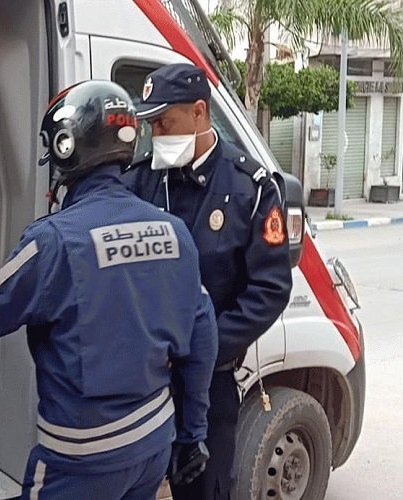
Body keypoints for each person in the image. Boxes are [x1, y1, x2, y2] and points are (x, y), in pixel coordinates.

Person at [0, 80, 217, 500]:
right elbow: (203, 337)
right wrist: (193, 432)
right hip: (153, 440)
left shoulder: (55, 241)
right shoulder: (174, 232)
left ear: (66, 147)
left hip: (82, 457)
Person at [125, 63, 293, 499]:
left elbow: (270, 288)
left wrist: (203, 348)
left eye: (164, 123)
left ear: (199, 112)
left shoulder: (250, 187)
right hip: (143, 378)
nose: (156, 134)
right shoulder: (141, 181)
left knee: (204, 489)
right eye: (150, 125)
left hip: (208, 381)